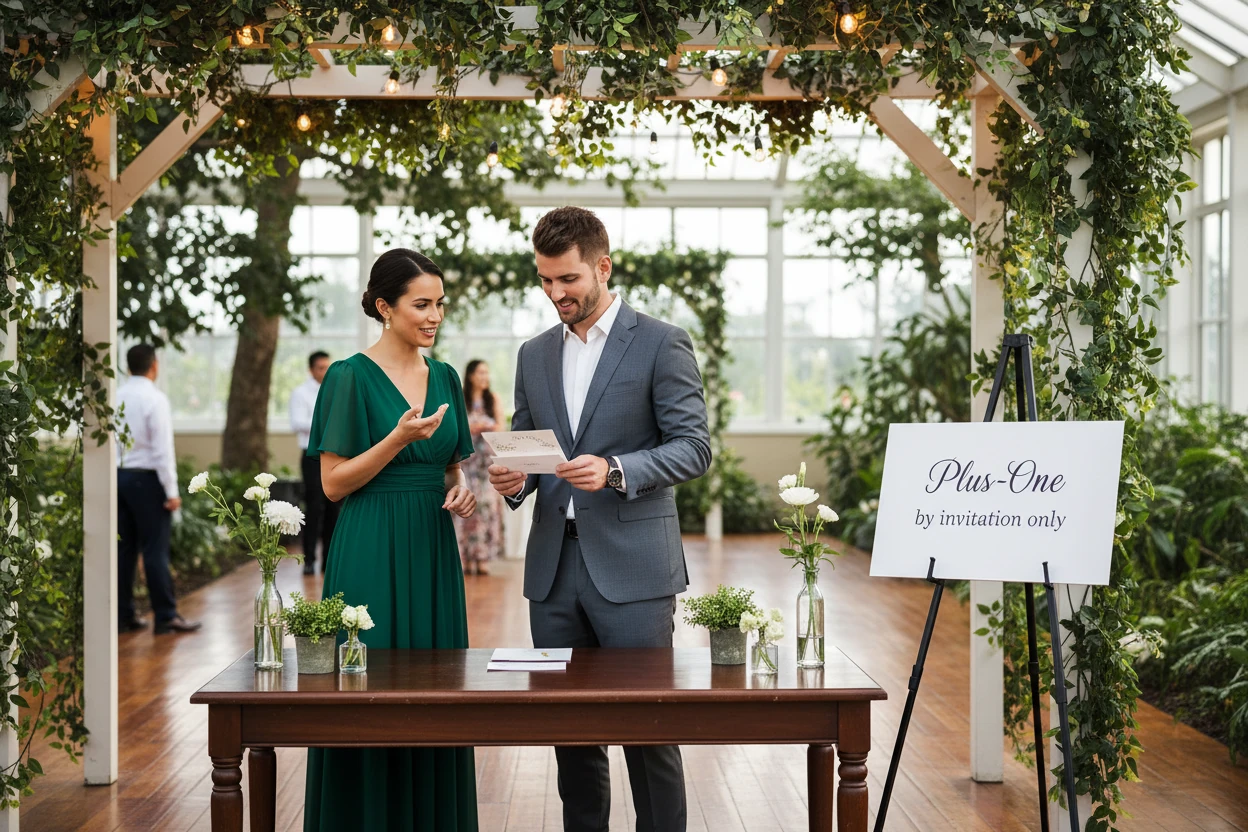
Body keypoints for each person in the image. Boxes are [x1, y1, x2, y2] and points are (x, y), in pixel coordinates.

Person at [489, 206, 711, 832]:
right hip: (554, 572)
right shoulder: (533, 354)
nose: (556, 294)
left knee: (648, 730)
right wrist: (513, 480)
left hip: (634, 572)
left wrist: (616, 470)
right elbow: (529, 449)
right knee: (572, 733)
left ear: (602, 266)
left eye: (568, 280)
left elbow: (694, 447)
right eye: (545, 281)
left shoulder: (662, 342)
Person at [303, 248, 479, 832]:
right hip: (369, 545)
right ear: (385, 307)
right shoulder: (348, 377)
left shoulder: (447, 377)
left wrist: (460, 490)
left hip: (431, 546)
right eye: (421, 304)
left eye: (440, 304)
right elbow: (331, 484)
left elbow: (453, 467)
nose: (435, 316)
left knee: (436, 685)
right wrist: (396, 442)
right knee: (367, 683)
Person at [116, 344, 202, 635]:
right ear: (154, 366)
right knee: (155, 549)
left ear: (129, 367)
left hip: (119, 477)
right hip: (147, 480)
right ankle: (165, 616)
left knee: (124, 549)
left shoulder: (114, 396)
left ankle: (123, 616)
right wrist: (172, 491)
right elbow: (163, 450)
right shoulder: (155, 399)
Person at [290, 350, 340, 575]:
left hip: (335, 455)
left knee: (333, 507)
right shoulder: (300, 393)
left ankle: (329, 560)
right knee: (313, 508)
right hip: (312, 457)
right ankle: (309, 559)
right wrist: (326, 423)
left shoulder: (337, 391)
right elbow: (297, 423)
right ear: (311, 370)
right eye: (321, 367)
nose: (325, 371)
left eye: (328, 367)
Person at [455, 359, 505, 575]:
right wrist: (472, 427)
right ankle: (464, 557)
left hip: (486, 466)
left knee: (485, 509)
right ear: (471, 375)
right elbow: (455, 428)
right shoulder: (460, 399)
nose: (485, 377)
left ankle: (483, 557)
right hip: (466, 466)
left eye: (487, 372)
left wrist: (489, 427)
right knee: (464, 509)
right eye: (480, 372)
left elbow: (501, 429)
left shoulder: (492, 399)